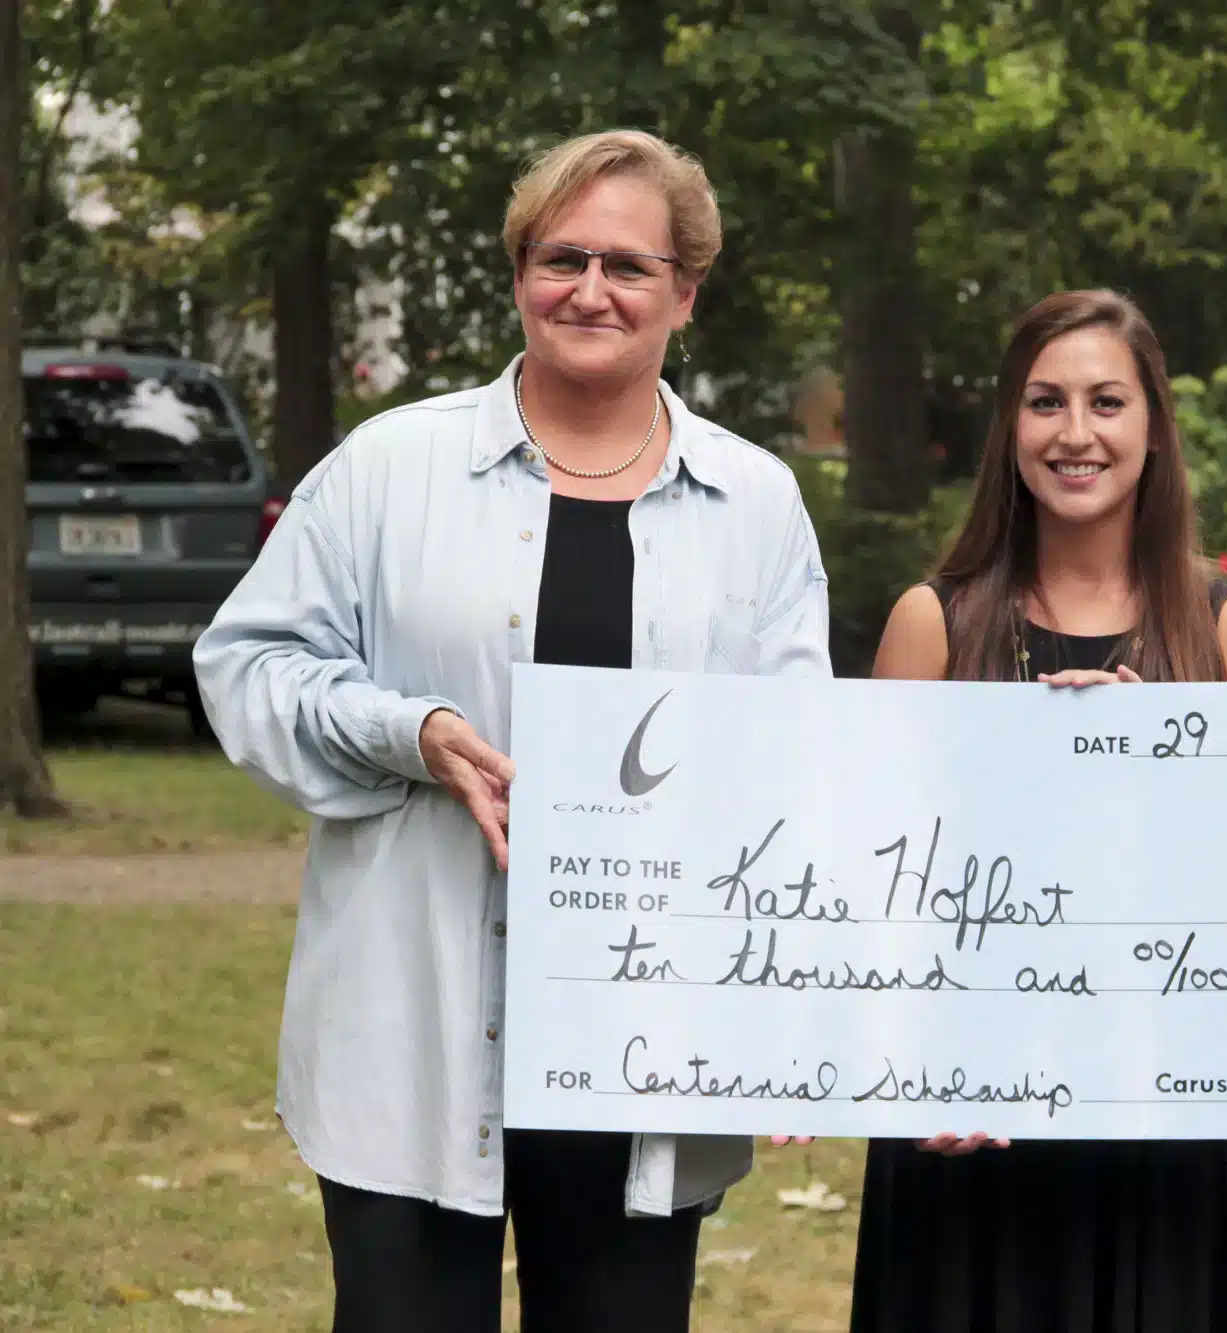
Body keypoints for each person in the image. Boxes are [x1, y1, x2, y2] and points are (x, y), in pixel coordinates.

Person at [192, 130, 830, 1333]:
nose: (591, 289)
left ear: (684, 293)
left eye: (630, 266)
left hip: (645, 1041)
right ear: (520, 272)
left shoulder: (755, 504)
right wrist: (408, 730)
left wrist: (780, 1015)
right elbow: (247, 664)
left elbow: (787, 764)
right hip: (415, 1030)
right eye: (561, 256)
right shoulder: (390, 468)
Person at [851, 289, 1227, 1332]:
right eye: (1044, 402)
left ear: (1152, 426)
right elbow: (864, 883)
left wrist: (1171, 772)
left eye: (1106, 401)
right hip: (963, 1113)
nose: (1075, 433)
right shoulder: (935, 623)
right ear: (1009, 426)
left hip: (1160, 1114)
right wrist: (906, 1074)